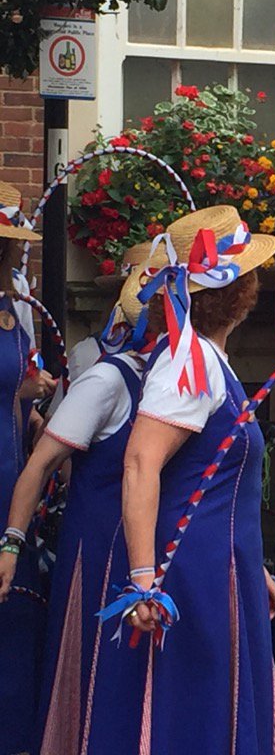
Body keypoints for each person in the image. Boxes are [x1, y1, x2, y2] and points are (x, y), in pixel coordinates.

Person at [101, 205, 275, 754]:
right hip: (193, 575)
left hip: (224, 565)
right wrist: (143, 582)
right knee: (197, 717)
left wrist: (254, 569)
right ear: (241, 290)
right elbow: (140, 464)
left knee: (217, 712)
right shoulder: (191, 366)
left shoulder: (207, 359)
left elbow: (212, 483)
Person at [0, 277, 151, 755]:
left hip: (144, 547)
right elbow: (44, 464)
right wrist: (12, 538)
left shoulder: (174, 378)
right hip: (96, 544)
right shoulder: (106, 378)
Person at [0, 179, 55, 755]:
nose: (21, 252)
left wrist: (30, 401)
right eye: (14, 244)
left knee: (16, 613)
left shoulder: (12, 304)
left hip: (13, 464)